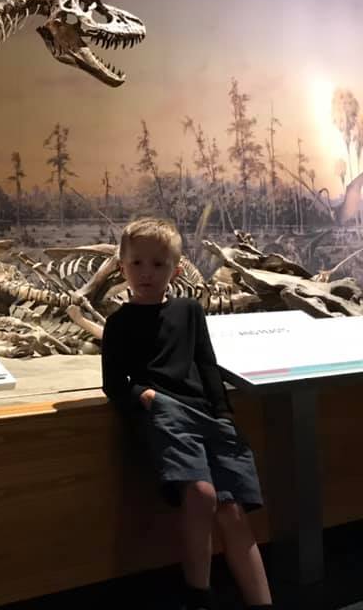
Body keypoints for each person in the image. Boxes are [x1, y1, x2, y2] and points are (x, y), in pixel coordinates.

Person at [100, 217, 273, 610]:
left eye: (158, 264)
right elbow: (113, 383)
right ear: (122, 267)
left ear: (175, 270)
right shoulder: (118, 323)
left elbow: (206, 363)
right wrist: (145, 396)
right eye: (137, 263)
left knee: (233, 511)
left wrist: (223, 412)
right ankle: (198, 596)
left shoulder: (190, 311)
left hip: (207, 416)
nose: (146, 273)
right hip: (166, 414)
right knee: (200, 493)